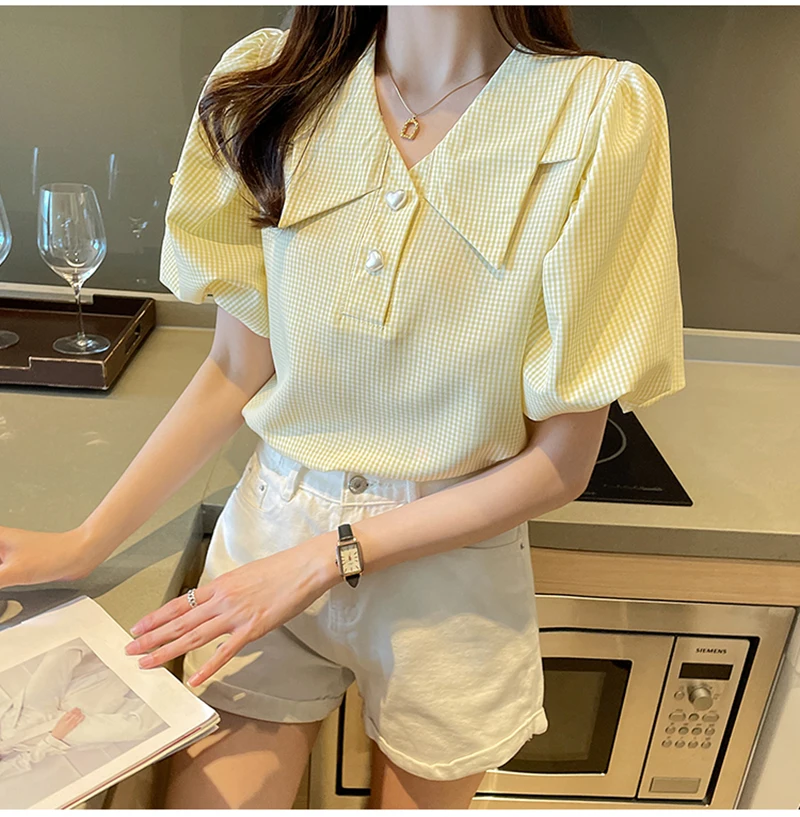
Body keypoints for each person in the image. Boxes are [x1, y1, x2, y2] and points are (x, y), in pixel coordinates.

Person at [0, 6, 686, 809]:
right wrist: (86, 542)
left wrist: (325, 558)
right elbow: (234, 367)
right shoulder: (269, 84)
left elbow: (559, 467)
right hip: (274, 524)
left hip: (449, 562)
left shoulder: (600, 113)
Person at [0, 642, 163, 783]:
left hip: (22, 711)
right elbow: (23, 763)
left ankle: (128, 639)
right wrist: (53, 739)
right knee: (136, 728)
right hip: (40, 738)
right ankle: (170, 693)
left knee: (61, 653)